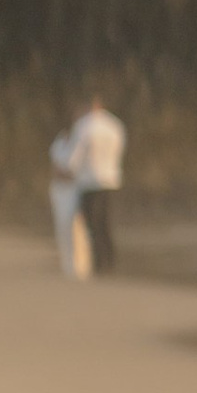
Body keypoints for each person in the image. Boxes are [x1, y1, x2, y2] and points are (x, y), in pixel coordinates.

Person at [57, 92, 126, 277]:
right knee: (105, 221)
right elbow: (119, 149)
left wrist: (67, 170)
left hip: (88, 181)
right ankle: (110, 261)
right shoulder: (115, 125)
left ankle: (99, 263)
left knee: (92, 222)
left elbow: (75, 156)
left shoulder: (84, 126)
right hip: (110, 178)